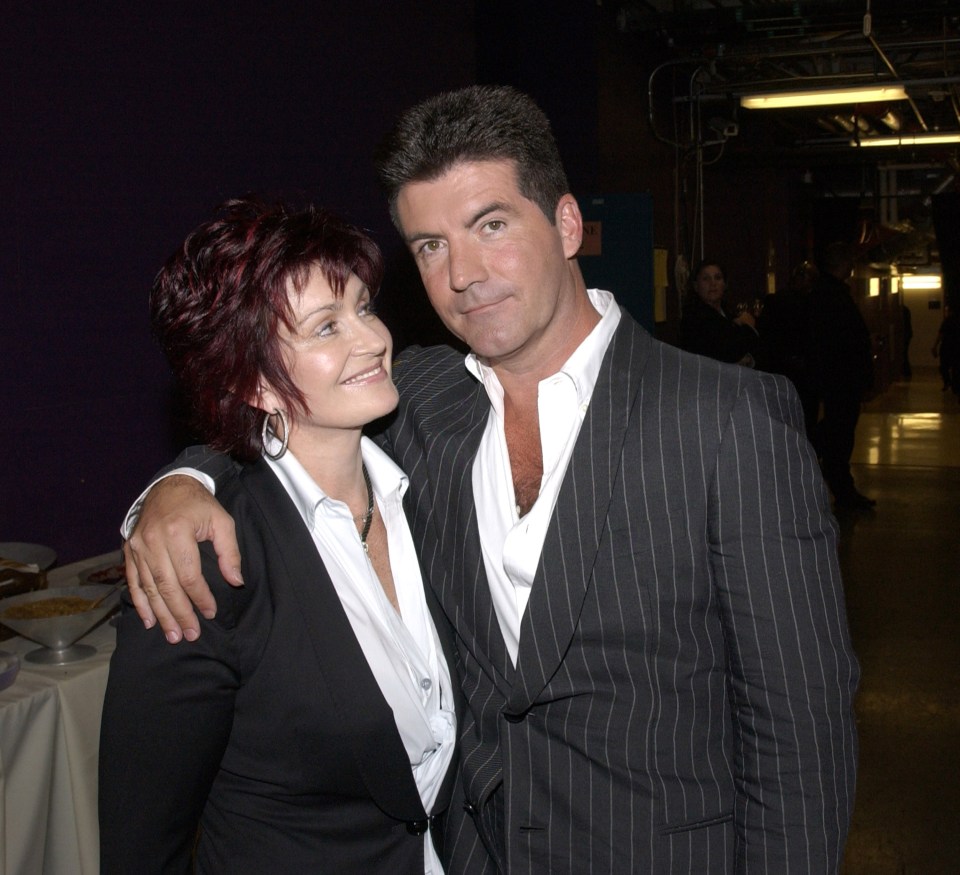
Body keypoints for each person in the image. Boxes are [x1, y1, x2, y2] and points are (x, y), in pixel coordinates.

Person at [122, 87, 859, 873]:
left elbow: (801, 739)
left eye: (491, 225)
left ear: (568, 224)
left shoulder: (729, 420)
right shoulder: (420, 403)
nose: (463, 273)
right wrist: (179, 484)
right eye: (431, 245)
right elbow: (274, 412)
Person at [99, 198, 457, 874]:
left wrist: (185, 474)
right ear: (251, 380)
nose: (372, 339)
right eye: (327, 326)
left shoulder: (425, 474)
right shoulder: (203, 562)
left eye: (363, 306)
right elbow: (143, 842)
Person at [807, 242, 876, 510]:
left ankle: (839, 483)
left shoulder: (827, 294)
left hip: (840, 379)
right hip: (841, 380)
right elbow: (843, 342)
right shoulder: (832, 297)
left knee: (837, 433)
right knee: (839, 434)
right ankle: (841, 487)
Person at [678, 259, 759, 366]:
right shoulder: (693, 316)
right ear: (696, 286)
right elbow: (729, 349)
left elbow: (755, 348)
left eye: (718, 278)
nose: (713, 283)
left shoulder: (728, 312)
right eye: (706, 279)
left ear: (725, 284)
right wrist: (748, 327)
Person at [932, 303, 960, 397]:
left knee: (944, 367)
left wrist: (935, 346)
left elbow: (940, 334)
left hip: (947, 347)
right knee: (955, 367)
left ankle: (948, 382)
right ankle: (955, 386)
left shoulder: (947, 321)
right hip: (956, 347)